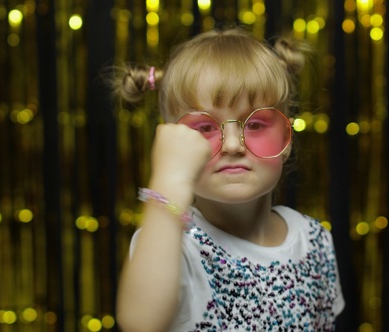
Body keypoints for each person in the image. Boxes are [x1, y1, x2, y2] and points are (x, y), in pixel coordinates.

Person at [112, 27, 344, 332]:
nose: (233, 145)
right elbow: (139, 323)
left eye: (256, 124)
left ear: (286, 139)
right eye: (205, 128)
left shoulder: (314, 240)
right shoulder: (172, 244)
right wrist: (168, 182)